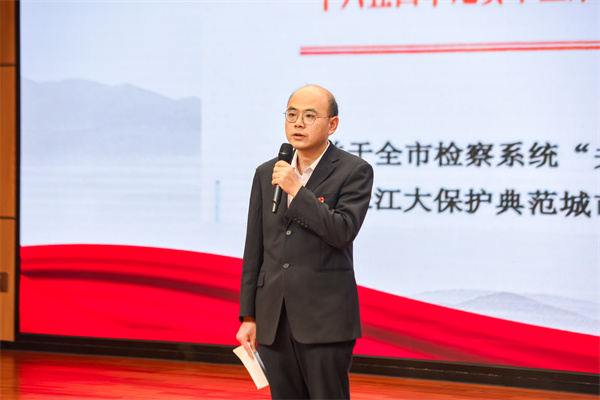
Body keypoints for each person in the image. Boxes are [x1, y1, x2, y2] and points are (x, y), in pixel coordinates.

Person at [236, 85, 374, 399]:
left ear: (332, 124)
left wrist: (297, 191)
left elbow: (342, 231)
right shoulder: (267, 172)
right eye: (292, 115)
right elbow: (255, 248)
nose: (298, 123)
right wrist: (249, 316)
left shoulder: (354, 171)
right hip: (274, 319)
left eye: (310, 116)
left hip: (324, 319)